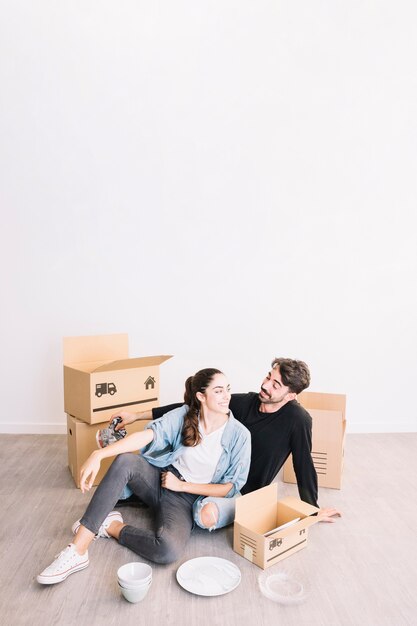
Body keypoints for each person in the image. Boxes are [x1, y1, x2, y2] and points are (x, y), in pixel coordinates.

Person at [37, 368, 251, 585]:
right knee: (126, 461)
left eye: (228, 389)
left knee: (167, 551)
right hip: (162, 480)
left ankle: (111, 526)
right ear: (201, 396)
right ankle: (78, 550)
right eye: (219, 390)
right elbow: (147, 436)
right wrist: (99, 454)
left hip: (188, 498)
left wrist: (182, 487)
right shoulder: (185, 415)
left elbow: (229, 487)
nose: (227, 396)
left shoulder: (240, 435)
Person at [114, 358, 340, 528]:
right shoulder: (244, 403)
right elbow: (188, 408)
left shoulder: (297, 420)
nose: (266, 385)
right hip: (209, 476)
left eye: (276, 385)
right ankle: (142, 497)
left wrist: (311, 510)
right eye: (268, 377)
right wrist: (138, 415)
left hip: (240, 491)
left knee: (203, 516)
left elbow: (303, 464)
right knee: (155, 462)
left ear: (291, 396)